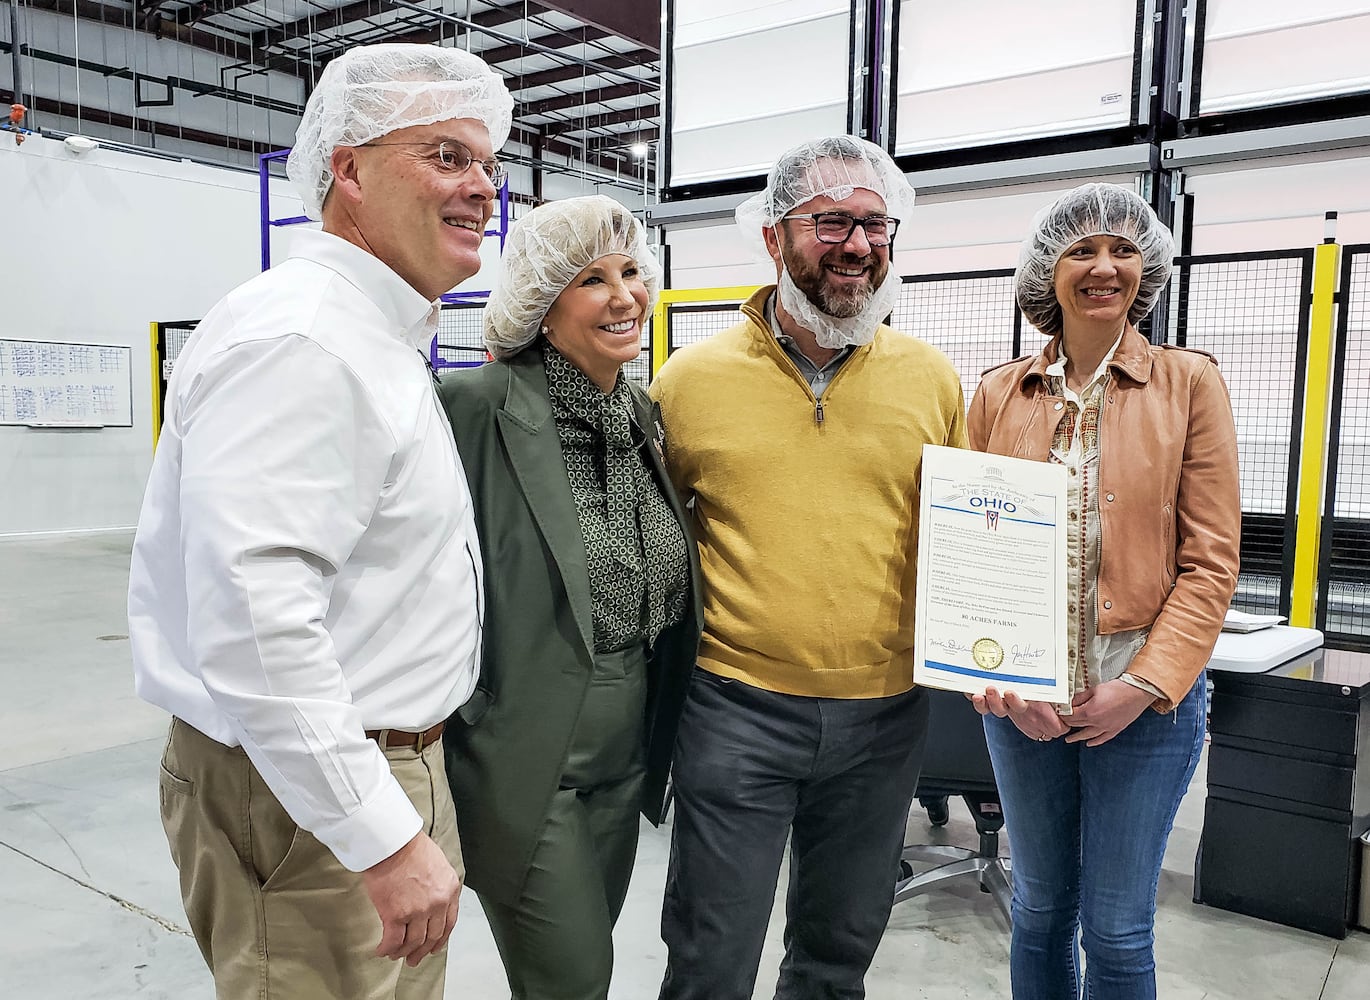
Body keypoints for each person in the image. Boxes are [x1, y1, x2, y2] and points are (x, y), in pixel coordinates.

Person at [127, 43, 512, 999]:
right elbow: (256, 619)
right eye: (447, 156)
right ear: (347, 168)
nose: (483, 189)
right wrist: (380, 837)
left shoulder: (369, 332)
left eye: (489, 164)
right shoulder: (306, 341)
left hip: (351, 772)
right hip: (310, 795)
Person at [650, 135, 968, 1000]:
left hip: (885, 720)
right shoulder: (689, 382)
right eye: (830, 221)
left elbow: (967, 541)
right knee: (711, 956)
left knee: (838, 955)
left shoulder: (932, 382)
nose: (857, 246)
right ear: (773, 237)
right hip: (734, 711)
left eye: (875, 225)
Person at [967, 182, 1240, 999]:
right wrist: (1000, 679)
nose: (1104, 265)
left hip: (1146, 705)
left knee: (1118, 928)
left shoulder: (1189, 384)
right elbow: (975, 561)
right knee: (1041, 909)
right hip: (1026, 709)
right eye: (1081, 249)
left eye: (1123, 249)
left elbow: (1211, 561)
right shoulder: (996, 394)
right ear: (1046, 273)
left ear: (1146, 271)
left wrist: (1143, 685)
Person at [438, 194, 703, 1000]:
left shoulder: (640, 411)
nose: (623, 295)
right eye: (591, 279)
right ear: (540, 305)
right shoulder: (477, 408)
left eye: (630, 271)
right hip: (525, 749)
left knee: (591, 961)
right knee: (574, 980)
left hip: (628, 750)